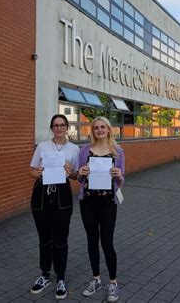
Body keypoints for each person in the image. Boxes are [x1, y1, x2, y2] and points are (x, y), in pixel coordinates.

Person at [29, 114, 79, 299]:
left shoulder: (74, 149)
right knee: (44, 238)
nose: (59, 128)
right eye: (56, 125)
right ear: (52, 128)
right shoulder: (42, 146)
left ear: (67, 128)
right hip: (41, 196)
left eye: (62, 125)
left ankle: (61, 277)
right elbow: (31, 170)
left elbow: (76, 176)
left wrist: (70, 171)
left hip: (62, 197)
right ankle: (44, 275)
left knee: (60, 239)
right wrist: (39, 172)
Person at [77, 116, 125, 302]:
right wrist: (80, 173)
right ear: (93, 131)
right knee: (91, 240)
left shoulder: (117, 151)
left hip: (107, 203)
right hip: (87, 202)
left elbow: (121, 182)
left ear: (108, 129)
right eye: (96, 127)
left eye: (102, 127)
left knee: (107, 242)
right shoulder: (84, 151)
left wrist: (119, 175)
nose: (99, 130)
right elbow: (80, 180)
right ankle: (96, 279)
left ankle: (113, 282)